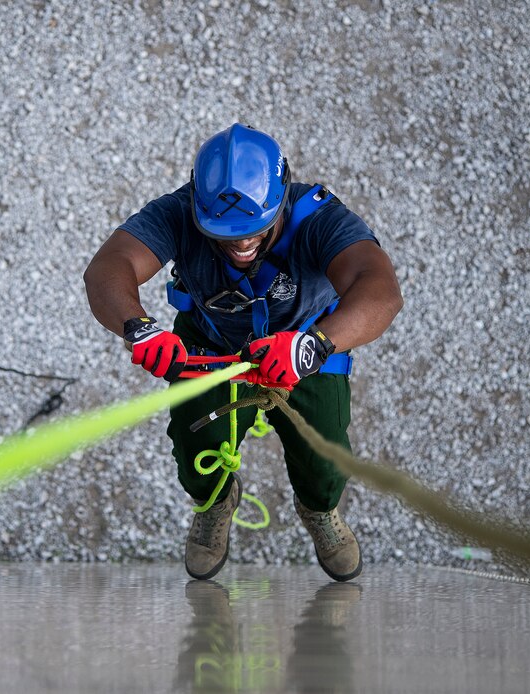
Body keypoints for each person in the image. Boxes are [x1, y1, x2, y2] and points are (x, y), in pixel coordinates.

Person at [83, 123, 402, 582]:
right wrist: (140, 329)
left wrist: (315, 344)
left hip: (302, 346)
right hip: (208, 346)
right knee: (197, 452)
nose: (240, 244)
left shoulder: (319, 217)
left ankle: (318, 509)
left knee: (325, 461)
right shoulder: (177, 212)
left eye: (255, 229)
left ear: (281, 199)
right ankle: (215, 502)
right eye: (224, 233)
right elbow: (108, 269)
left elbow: (381, 291)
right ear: (197, 202)